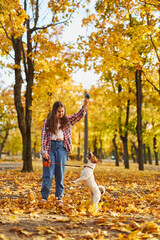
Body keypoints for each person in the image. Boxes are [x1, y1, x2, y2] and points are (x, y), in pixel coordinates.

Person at [41, 96, 89, 205]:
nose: (61, 113)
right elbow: (43, 137)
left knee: (60, 174)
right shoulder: (48, 121)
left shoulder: (67, 121)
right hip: (50, 148)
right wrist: (44, 152)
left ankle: (59, 197)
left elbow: (78, 115)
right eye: (58, 111)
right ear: (54, 112)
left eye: (62, 111)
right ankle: (44, 197)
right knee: (48, 174)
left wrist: (85, 105)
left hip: (62, 148)